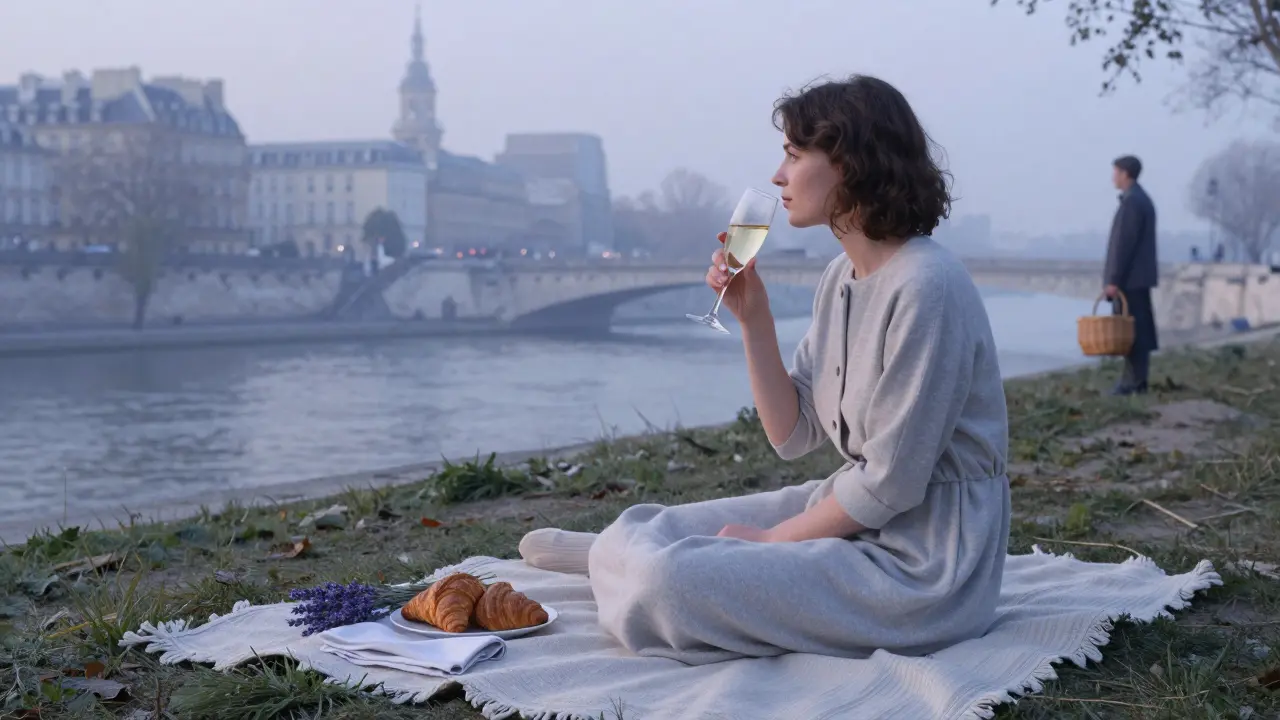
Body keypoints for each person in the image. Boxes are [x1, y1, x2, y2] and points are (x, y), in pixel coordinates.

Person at [519, 75, 1011, 665]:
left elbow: (891, 485)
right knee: (653, 521)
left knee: (669, 583)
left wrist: (772, 542)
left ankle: (622, 564)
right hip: (860, 513)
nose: (779, 176)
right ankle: (616, 550)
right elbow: (793, 434)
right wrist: (754, 320)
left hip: (924, 566)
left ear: (851, 164)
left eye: (795, 155)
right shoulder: (840, 278)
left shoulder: (929, 285)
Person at [1103, 155, 1159, 395]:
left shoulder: (1132, 203)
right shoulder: (1140, 199)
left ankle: (1131, 383)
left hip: (1130, 280)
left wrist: (1113, 280)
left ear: (1125, 173)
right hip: (1138, 278)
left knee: (1131, 333)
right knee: (1138, 331)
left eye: (1115, 172)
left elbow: (1123, 246)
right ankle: (1136, 381)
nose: (1113, 177)